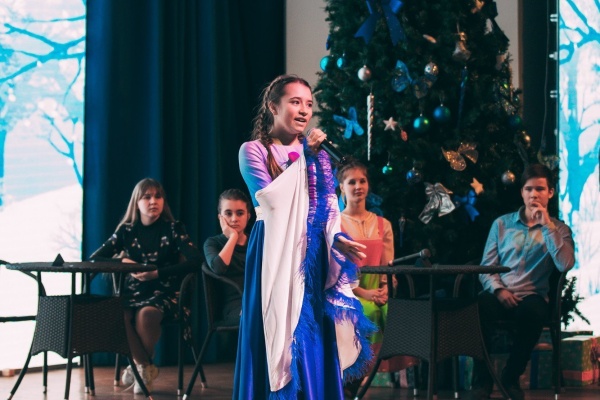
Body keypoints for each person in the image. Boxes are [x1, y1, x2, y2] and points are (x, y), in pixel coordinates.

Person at [234, 74, 375, 399]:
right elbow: (272, 199)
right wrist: (306, 159)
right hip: (274, 249)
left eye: (308, 104)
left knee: (311, 331)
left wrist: (336, 237)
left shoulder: (318, 155)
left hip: (312, 254)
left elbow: (327, 205)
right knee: (276, 333)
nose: (303, 110)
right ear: (273, 107)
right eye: (295, 102)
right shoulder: (253, 151)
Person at [469, 164, 575, 400]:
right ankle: (482, 381)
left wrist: (547, 226)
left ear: (550, 192)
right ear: (522, 192)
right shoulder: (502, 224)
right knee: (478, 307)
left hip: (532, 295)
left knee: (533, 313)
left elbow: (565, 264)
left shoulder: (559, 229)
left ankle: (510, 377)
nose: (533, 195)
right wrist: (498, 290)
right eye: (528, 189)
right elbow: (486, 267)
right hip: (500, 292)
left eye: (540, 189)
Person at [90, 178, 202, 394]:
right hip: (133, 293)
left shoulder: (174, 229)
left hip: (165, 293)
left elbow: (196, 261)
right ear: (137, 202)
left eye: (158, 196)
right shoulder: (126, 231)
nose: (153, 201)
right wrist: (122, 261)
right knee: (115, 312)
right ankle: (144, 365)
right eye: (147, 197)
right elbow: (95, 259)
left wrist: (157, 273)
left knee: (146, 315)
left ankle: (138, 366)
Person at [337, 159, 418, 389]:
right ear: (342, 187)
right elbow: (337, 272)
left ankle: (394, 374)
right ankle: (356, 375)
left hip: (377, 290)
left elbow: (388, 267)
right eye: (351, 182)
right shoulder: (336, 224)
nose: (358, 186)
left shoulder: (383, 224)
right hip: (350, 292)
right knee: (369, 312)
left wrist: (385, 289)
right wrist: (364, 292)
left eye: (362, 181)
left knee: (394, 312)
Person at [203, 188, 251, 326]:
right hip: (234, 306)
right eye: (228, 213)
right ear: (220, 218)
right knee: (253, 317)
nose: (234, 219)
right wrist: (233, 237)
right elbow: (218, 268)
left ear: (248, 216)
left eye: (240, 213)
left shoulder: (256, 241)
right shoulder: (212, 243)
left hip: (260, 301)